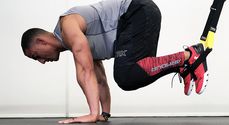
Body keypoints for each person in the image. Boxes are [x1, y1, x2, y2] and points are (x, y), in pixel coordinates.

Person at [21, 0, 209, 123]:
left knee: (125, 75)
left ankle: (190, 55)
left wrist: (92, 115)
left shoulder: (67, 26)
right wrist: (104, 114)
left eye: (35, 55)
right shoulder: (77, 43)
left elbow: (85, 73)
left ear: (41, 41)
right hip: (141, 16)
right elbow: (99, 78)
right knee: (133, 75)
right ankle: (185, 64)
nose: (41, 61)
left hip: (136, 12)